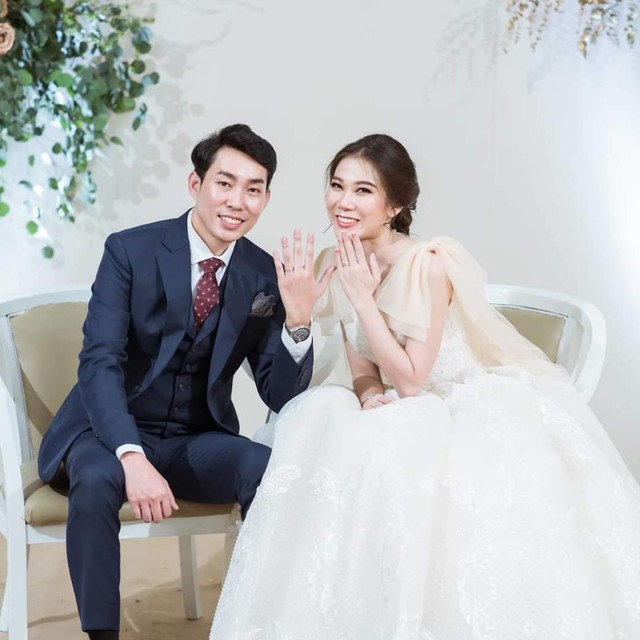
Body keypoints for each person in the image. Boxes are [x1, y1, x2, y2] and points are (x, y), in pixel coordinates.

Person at [210, 133, 640, 639]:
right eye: (337, 185)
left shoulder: (428, 263)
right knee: (323, 422)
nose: (344, 202)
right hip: (395, 401)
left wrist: (364, 300)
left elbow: (413, 380)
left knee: (396, 457)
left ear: (395, 206)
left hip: (448, 400)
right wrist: (368, 394)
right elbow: (363, 364)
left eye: (363, 191)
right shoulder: (337, 258)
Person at [37, 123, 333, 640]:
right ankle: (102, 635)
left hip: (193, 437)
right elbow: (100, 363)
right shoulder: (130, 250)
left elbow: (280, 395)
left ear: (266, 199)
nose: (237, 201)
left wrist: (299, 321)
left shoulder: (264, 274)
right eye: (225, 183)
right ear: (196, 184)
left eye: (253, 189)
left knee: (269, 470)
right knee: (98, 478)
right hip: (106, 433)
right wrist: (131, 455)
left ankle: (260, 623)